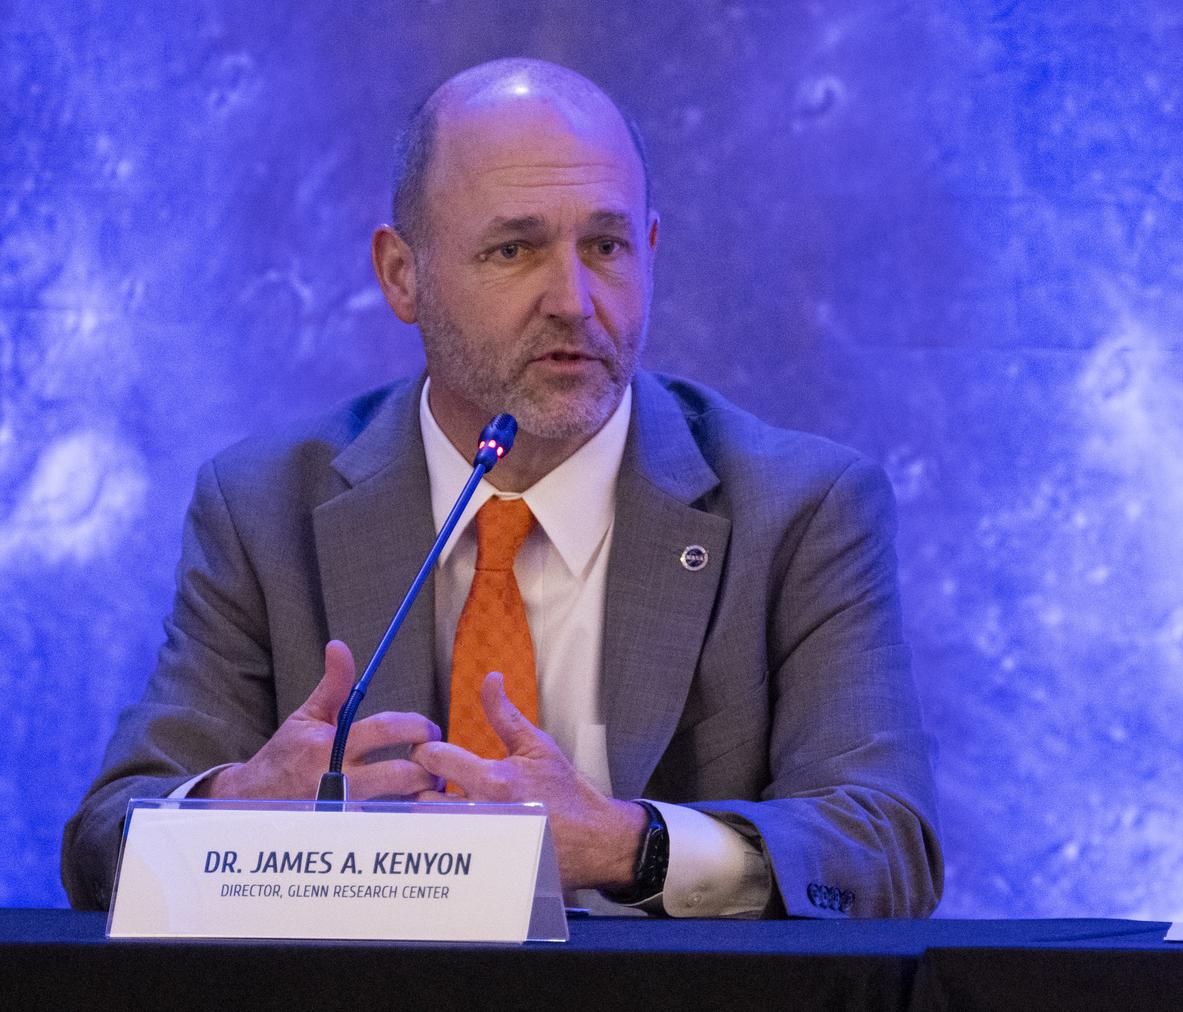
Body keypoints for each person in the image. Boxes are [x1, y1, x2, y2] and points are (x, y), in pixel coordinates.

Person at [62, 58, 943, 917]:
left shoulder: (799, 509)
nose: (574, 299)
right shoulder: (264, 506)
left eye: (606, 245)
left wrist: (630, 845)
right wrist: (231, 810)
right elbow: (103, 841)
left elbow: (884, 848)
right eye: (513, 249)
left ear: (651, 251)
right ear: (402, 275)